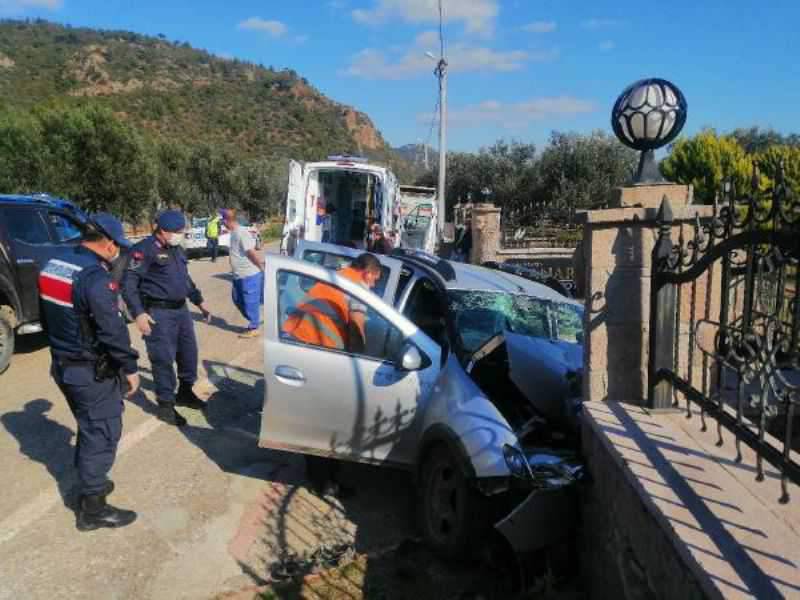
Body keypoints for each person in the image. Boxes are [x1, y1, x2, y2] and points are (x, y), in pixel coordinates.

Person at [38, 213, 140, 531]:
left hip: (63, 363)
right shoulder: (95, 279)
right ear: (107, 242)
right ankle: (92, 508)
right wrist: (131, 367)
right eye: (117, 246)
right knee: (103, 432)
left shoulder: (55, 262)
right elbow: (112, 332)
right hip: (89, 370)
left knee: (88, 424)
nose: (118, 252)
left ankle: (90, 481)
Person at [282, 253, 382, 496]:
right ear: (368, 273)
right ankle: (324, 483)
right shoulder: (356, 287)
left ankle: (316, 473)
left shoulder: (336, 277)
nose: (375, 284)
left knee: (314, 418)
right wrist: (361, 366)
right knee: (324, 422)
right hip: (320, 354)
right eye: (376, 279)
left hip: (299, 344)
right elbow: (357, 330)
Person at [122, 210, 212, 426]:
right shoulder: (143, 250)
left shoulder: (175, 249)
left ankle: (185, 392)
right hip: (158, 313)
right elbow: (129, 283)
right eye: (178, 232)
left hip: (181, 312)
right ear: (163, 231)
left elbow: (185, 279)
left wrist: (199, 302)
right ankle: (165, 405)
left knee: (188, 354)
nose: (181, 235)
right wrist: (139, 313)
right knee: (163, 359)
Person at [223, 209, 265, 338]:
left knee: (249, 301)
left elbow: (250, 252)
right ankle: (256, 320)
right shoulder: (234, 233)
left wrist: (260, 266)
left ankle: (254, 327)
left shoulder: (242, 233)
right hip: (238, 275)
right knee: (237, 299)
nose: (222, 223)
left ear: (228, 220)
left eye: (223, 220)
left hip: (249, 274)